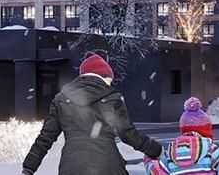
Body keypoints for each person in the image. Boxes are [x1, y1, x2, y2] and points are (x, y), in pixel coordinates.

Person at [22, 53, 164, 175]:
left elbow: (45, 138)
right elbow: (129, 135)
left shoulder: (61, 99)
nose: (110, 85)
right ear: (104, 76)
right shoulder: (113, 97)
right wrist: (156, 150)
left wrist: (28, 168)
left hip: (72, 166)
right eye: (110, 80)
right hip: (108, 165)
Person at [145, 98, 219, 175]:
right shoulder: (210, 150)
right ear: (205, 131)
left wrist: (148, 159)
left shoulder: (171, 152)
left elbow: (156, 171)